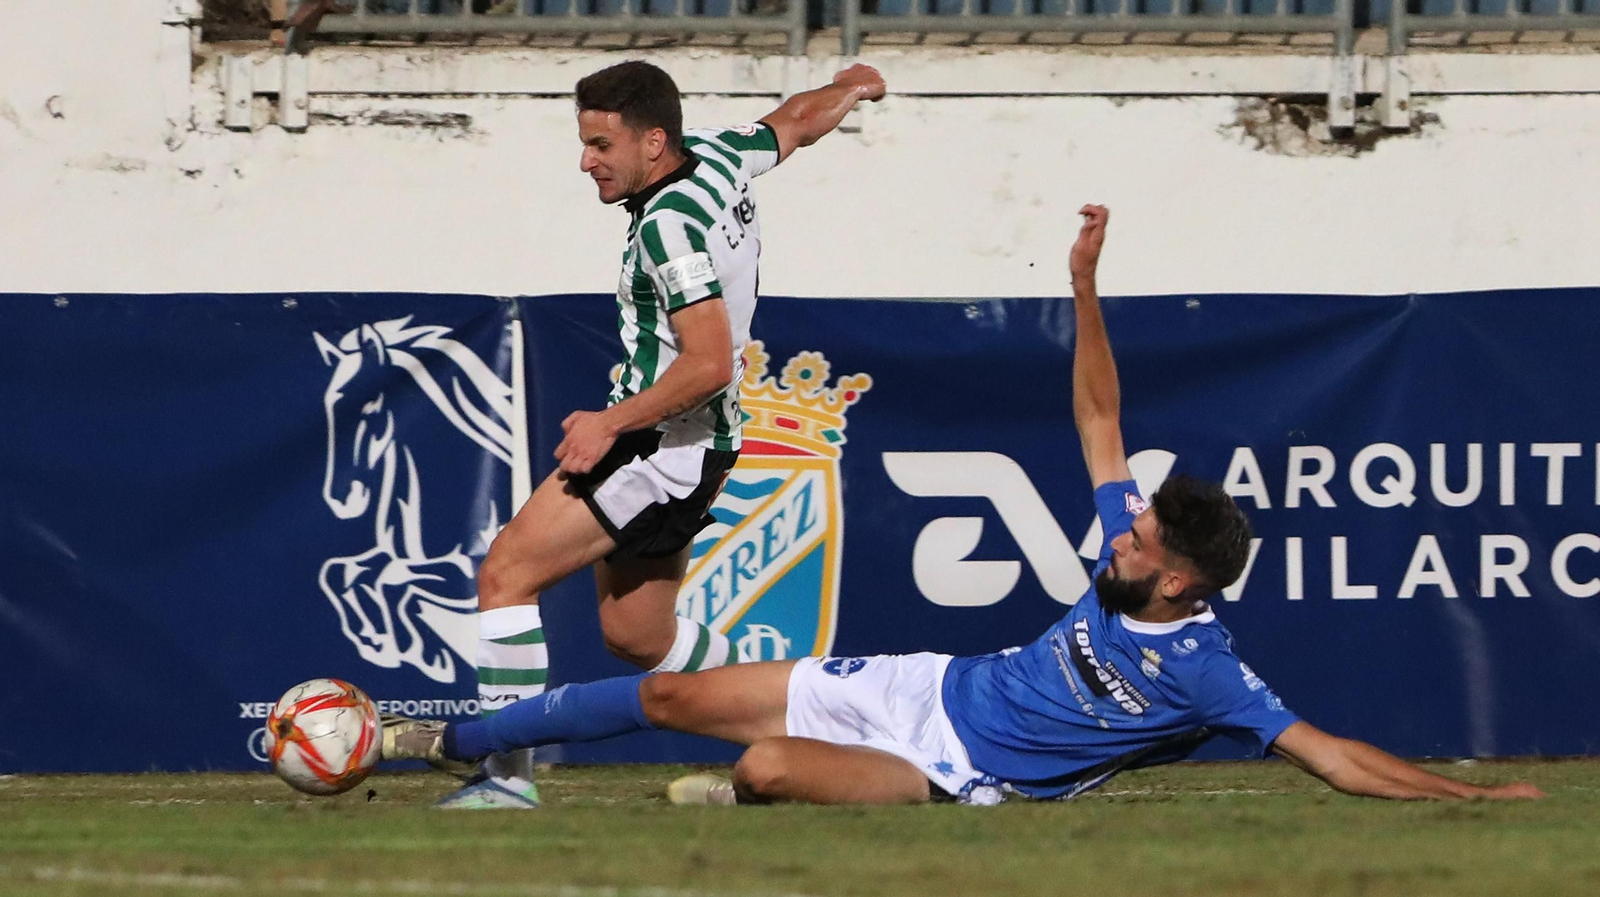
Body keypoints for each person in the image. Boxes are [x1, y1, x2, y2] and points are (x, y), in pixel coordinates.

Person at [383, 206, 1544, 808]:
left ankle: (759, 794)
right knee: (670, 694)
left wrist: (1467, 793)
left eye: (1141, 539)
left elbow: (1331, 757)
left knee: (765, 772)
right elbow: (1099, 418)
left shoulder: (1207, 671)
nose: (1123, 533)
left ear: (1179, 580)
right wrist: (1083, 286)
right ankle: (441, 742)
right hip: (922, 686)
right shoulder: (1127, 560)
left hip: (956, 775)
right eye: (1134, 523)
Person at [397, 60, 887, 808]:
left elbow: (709, 362)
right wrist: (850, 86)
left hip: (659, 442)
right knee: (638, 636)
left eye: (601, 145)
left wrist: (610, 422)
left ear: (654, 142)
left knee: (507, 572)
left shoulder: (670, 227)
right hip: (699, 444)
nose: (585, 161)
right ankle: (820, 721)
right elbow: (794, 122)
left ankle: (505, 781)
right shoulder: (719, 153)